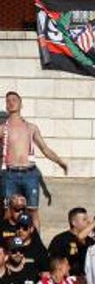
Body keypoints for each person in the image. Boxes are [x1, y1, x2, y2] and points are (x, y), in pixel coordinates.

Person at [1, 91, 69, 230]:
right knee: (7, 212)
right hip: (9, 174)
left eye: (15, 99)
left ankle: (37, 246)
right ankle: (5, 245)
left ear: (21, 104)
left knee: (33, 211)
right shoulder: (3, 128)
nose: (11, 102)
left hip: (30, 174)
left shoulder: (31, 128)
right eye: (8, 101)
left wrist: (60, 162)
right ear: (6, 106)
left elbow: (45, 149)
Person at [48, 207, 94, 284]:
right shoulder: (60, 240)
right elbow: (54, 261)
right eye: (84, 219)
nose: (88, 222)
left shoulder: (90, 241)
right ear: (74, 223)